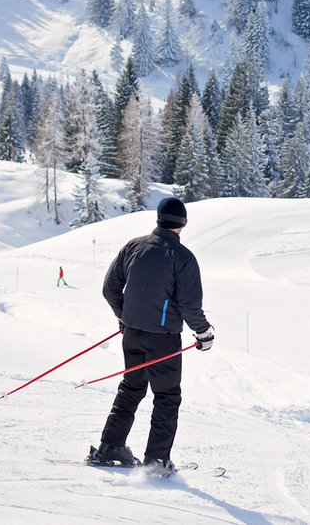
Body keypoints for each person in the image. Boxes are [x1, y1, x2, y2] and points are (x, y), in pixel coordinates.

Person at [90, 197, 214, 475]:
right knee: (167, 396)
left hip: (132, 334)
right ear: (182, 224)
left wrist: (124, 317)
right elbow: (189, 305)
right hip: (163, 339)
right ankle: (157, 460)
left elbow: (110, 288)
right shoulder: (182, 257)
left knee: (131, 388)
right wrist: (204, 332)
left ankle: (110, 446)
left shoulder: (134, 246)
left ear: (158, 219)